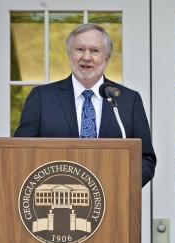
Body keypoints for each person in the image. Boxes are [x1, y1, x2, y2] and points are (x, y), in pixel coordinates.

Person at [14, 23, 156, 187]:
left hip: (113, 202)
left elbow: (145, 159)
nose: (86, 57)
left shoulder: (128, 100)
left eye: (95, 51)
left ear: (106, 58)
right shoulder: (42, 98)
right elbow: (20, 153)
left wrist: (120, 186)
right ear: (69, 54)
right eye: (80, 49)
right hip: (56, 199)